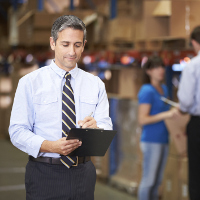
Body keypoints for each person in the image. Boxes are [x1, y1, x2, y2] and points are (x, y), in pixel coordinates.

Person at [9, 15, 112, 200]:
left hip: (84, 174)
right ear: (52, 43)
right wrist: (50, 146)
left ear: (84, 44)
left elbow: (106, 126)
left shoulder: (96, 84)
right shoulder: (30, 83)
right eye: (65, 44)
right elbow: (17, 131)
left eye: (78, 45)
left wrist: (96, 128)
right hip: (44, 173)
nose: (72, 51)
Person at [137, 55, 179, 200]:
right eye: (156, 67)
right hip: (151, 141)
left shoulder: (164, 89)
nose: (160, 70)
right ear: (148, 71)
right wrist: (167, 115)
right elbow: (142, 119)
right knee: (148, 181)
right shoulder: (147, 90)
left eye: (162, 66)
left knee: (157, 181)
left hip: (163, 139)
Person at [178, 26, 200, 200]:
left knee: (196, 173)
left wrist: (182, 109)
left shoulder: (192, 66)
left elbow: (185, 101)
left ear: (194, 42)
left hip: (198, 124)